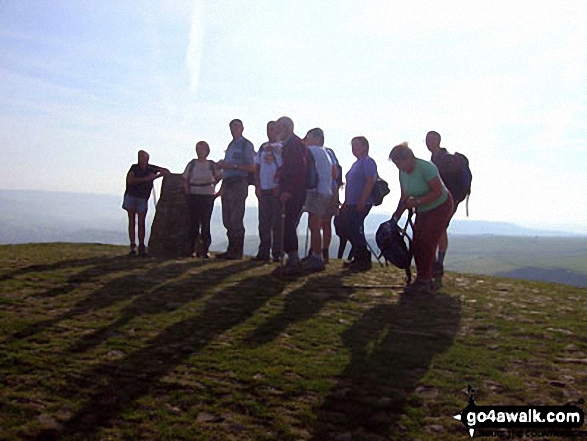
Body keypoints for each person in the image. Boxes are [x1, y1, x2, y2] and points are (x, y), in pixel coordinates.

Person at [390, 142, 454, 293]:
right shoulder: (402, 172)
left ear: (409, 158)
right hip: (423, 208)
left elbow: (438, 191)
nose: (399, 167)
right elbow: (404, 196)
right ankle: (422, 276)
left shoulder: (426, 168)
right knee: (417, 241)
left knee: (427, 241)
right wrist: (396, 217)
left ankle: (425, 279)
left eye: (400, 163)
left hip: (440, 206)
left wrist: (417, 202)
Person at [216, 119, 255, 260]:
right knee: (227, 218)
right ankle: (231, 249)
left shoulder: (246, 145)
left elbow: (252, 167)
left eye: (236, 127)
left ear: (242, 128)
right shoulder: (231, 145)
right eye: (232, 127)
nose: (234, 130)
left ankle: (236, 251)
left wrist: (232, 166)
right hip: (228, 183)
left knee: (236, 218)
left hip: (239, 182)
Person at [425, 130, 460, 286]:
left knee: (439, 228)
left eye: (431, 140)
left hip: (447, 200)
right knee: (439, 229)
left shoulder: (443, 160)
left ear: (438, 141)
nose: (428, 143)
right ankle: (437, 262)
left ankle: (438, 263)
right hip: (440, 199)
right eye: (427, 140)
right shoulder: (434, 159)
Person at [339, 136, 377, 271]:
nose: (354, 149)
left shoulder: (367, 162)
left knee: (355, 228)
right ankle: (358, 258)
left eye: (357, 146)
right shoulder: (357, 163)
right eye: (353, 146)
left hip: (361, 202)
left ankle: (364, 260)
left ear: (365, 147)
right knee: (351, 229)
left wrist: (362, 200)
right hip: (351, 203)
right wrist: (345, 202)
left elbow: (370, 181)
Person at [275, 116, 307, 275]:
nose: (277, 131)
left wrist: (289, 190)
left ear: (287, 127)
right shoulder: (292, 144)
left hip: (294, 192)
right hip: (295, 190)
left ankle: (293, 261)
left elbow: (299, 170)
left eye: (279, 127)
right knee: (288, 223)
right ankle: (292, 259)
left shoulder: (293, 144)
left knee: (288, 223)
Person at [122, 150, 169, 256]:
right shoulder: (134, 168)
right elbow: (130, 180)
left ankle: (141, 245)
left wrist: (156, 176)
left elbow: (165, 171)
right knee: (132, 221)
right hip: (132, 196)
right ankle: (133, 245)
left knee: (140, 222)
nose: (141, 159)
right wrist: (149, 178)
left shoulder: (150, 168)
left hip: (142, 198)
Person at [300, 128, 334, 272]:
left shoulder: (313, 150)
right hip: (325, 191)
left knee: (314, 225)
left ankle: (317, 257)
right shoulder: (324, 152)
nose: (305, 141)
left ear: (315, 138)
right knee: (313, 223)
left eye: (308, 137)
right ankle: (315, 253)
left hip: (317, 192)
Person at [182, 141, 221, 259]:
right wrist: (187, 190)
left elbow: (219, 176)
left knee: (205, 223)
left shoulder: (211, 164)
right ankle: (192, 249)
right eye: (199, 148)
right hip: (194, 194)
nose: (201, 151)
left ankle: (205, 250)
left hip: (207, 195)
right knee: (193, 223)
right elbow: (185, 179)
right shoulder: (192, 164)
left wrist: (213, 187)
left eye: (203, 149)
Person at [253, 121, 283, 262]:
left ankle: (277, 252)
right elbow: (257, 167)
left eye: (273, 129)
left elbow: (285, 167)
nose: (270, 132)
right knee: (264, 222)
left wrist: (280, 185)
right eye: (268, 129)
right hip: (264, 189)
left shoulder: (282, 147)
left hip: (276, 189)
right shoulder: (262, 148)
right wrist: (257, 186)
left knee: (277, 223)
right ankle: (264, 251)